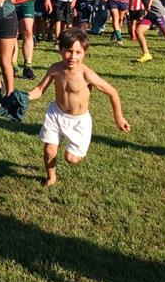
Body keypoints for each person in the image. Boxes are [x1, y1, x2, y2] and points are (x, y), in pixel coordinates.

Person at [26, 27, 131, 187]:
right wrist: (24, 97)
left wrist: (118, 117)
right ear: (60, 49)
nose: (72, 56)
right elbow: (40, 90)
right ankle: (51, 177)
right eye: (68, 51)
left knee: (71, 159)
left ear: (84, 53)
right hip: (56, 113)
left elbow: (112, 92)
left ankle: (76, 150)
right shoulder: (55, 69)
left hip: (79, 121)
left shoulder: (86, 74)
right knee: (49, 150)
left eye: (78, 52)